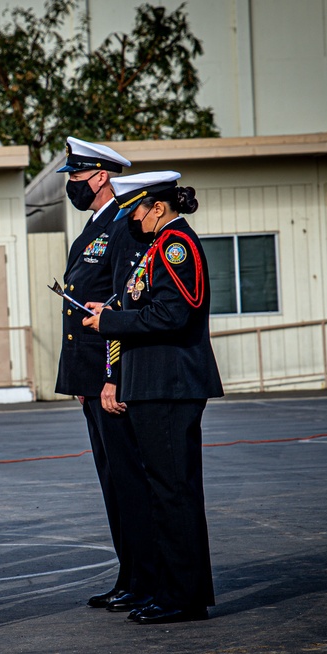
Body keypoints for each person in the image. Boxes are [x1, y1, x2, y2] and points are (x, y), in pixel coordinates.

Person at [83, 172, 222, 625]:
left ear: (157, 208)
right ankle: (172, 589)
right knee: (164, 493)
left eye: (135, 210)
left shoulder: (176, 246)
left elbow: (174, 314)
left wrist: (111, 324)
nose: (130, 219)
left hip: (170, 385)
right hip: (154, 385)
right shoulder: (157, 248)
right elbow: (148, 306)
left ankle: (182, 597)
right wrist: (113, 312)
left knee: (173, 493)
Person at [53, 137, 156, 612]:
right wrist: (80, 379)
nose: (71, 186)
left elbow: (122, 303)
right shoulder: (96, 225)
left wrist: (111, 376)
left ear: (99, 176)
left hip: (109, 377)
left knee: (128, 481)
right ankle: (129, 573)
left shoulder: (122, 225)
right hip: (90, 376)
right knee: (112, 480)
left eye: (75, 177)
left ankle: (145, 576)